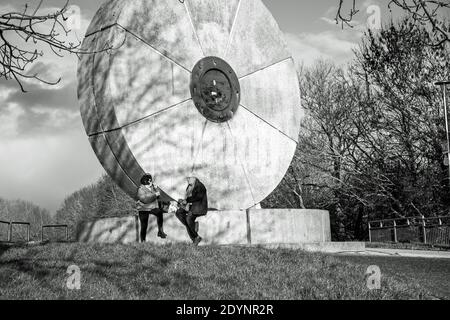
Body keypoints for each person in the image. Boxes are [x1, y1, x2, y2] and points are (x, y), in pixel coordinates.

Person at [175, 176, 208, 246]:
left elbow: (198, 197)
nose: (188, 183)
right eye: (188, 182)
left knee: (188, 219)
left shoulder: (200, 186)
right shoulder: (191, 186)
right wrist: (183, 201)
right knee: (178, 212)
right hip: (190, 206)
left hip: (199, 207)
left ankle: (196, 237)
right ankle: (193, 225)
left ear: (195, 181)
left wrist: (187, 200)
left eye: (190, 182)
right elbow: (188, 196)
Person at [136, 173, 167, 242]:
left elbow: (159, 195)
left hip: (152, 208)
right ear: (145, 181)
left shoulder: (152, 188)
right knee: (144, 226)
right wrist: (155, 195)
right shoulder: (140, 189)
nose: (151, 182)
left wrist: (156, 189)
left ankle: (160, 231)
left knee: (159, 213)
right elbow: (145, 200)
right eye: (149, 180)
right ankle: (143, 241)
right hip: (143, 208)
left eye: (151, 180)